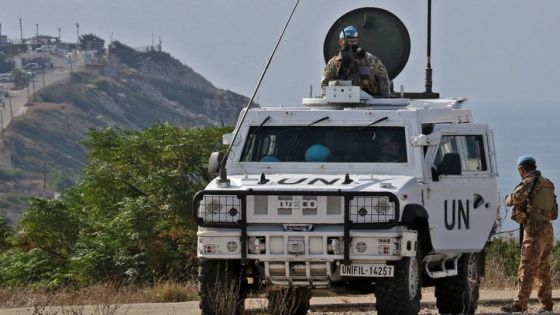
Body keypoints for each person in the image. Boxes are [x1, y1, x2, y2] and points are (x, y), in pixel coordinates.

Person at [501, 156, 557, 313]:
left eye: (519, 170)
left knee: (526, 268)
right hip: (547, 230)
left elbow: (515, 198)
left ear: (522, 169)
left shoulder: (528, 182)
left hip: (533, 231)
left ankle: (520, 305)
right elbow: (554, 214)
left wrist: (507, 199)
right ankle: (547, 306)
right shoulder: (549, 184)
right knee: (543, 269)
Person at [321, 25, 390, 97]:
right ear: (341, 42)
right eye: (349, 42)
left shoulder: (370, 59)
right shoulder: (333, 63)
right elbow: (324, 83)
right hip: (340, 101)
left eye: (355, 41)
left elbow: (383, 78)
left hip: (369, 101)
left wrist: (383, 99)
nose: (353, 44)